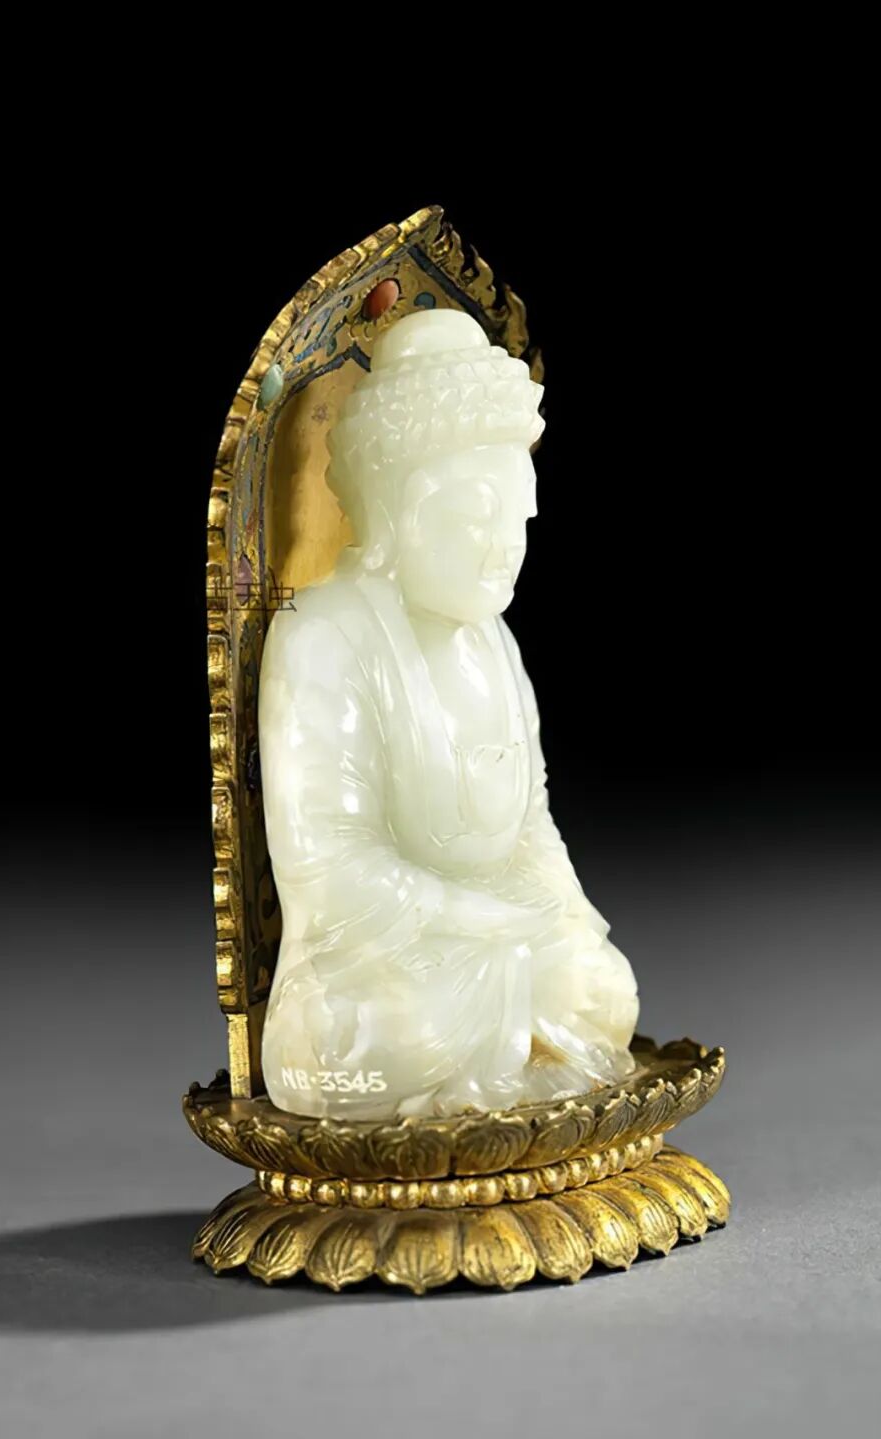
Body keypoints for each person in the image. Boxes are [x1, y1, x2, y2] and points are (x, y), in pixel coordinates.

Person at [257, 308, 639, 1119]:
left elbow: (531, 823)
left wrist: (564, 917)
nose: (503, 547)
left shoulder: (493, 641)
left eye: (517, 518)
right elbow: (326, 863)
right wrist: (473, 920)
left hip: (494, 943)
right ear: (390, 513)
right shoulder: (324, 635)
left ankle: (508, 1064)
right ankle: (498, 1070)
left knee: (603, 990)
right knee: (374, 1043)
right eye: (471, 518)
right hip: (372, 975)